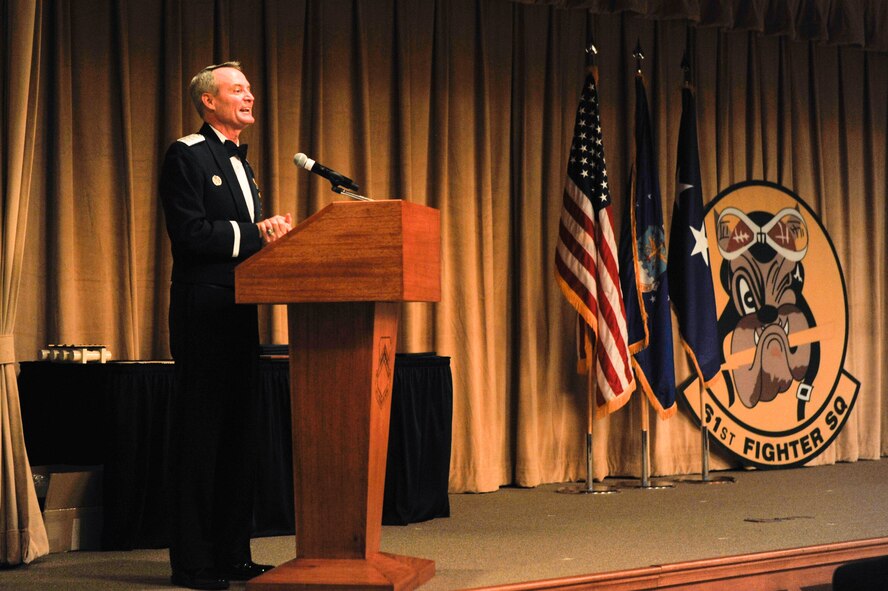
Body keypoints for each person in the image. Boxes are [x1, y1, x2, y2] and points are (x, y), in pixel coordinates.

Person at [159, 61, 291, 591]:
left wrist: (272, 236)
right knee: (202, 436)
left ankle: (233, 554)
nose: (249, 96)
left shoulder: (244, 164)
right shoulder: (186, 154)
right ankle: (193, 563)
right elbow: (191, 234)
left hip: (241, 307)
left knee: (240, 434)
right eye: (238, 89)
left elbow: (244, 238)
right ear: (208, 101)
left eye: (250, 89)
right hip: (203, 309)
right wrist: (257, 232)